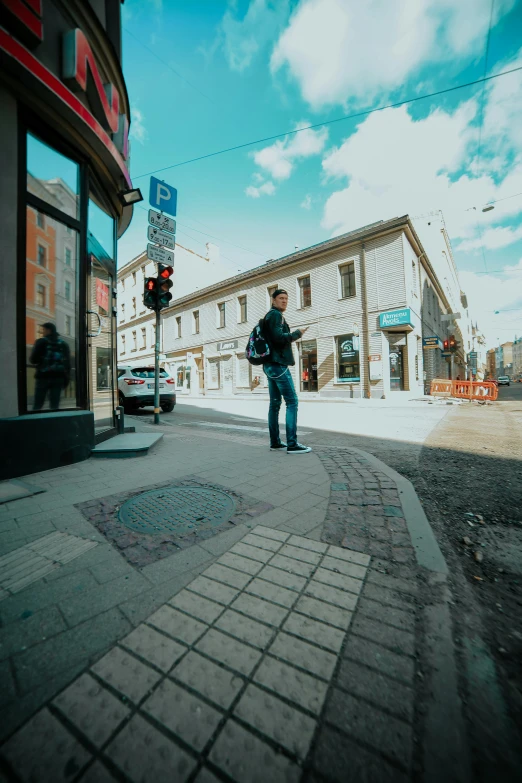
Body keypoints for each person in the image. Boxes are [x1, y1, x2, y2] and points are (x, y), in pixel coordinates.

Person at [262, 289, 311, 454]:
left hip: (269, 365)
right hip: (278, 365)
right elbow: (278, 338)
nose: (284, 301)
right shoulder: (275, 315)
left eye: (286, 299)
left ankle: (275, 442)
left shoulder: (270, 316)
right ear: (273, 300)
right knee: (292, 402)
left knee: (275, 404)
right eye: (281, 298)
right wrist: (297, 334)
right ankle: (292, 443)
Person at [30, 322, 70, 411]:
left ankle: (35, 423)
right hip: (58, 378)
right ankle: (54, 423)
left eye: (43, 330)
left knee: (38, 404)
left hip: (43, 377)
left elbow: (33, 360)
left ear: (48, 330)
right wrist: (66, 379)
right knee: (54, 405)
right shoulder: (64, 344)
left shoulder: (41, 342)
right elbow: (67, 364)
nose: (42, 332)